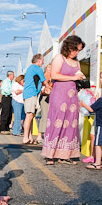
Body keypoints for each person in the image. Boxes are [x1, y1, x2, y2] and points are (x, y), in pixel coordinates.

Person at [41, 35, 85, 165]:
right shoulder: (59, 58)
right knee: (57, 121)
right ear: (69, 46)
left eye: (78, 50)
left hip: (72, 96)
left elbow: (76, 77)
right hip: (60, 94)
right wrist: (74, 77)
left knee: (71, 123)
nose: (76, 52)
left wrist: (80, 78)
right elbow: (54, 75)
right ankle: (51, 155)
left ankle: (65, 154)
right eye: (75, 49)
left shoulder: (77, 62)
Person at [23, 54, 45, 144]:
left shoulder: (30, 68)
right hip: (31, 94)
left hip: (28, 94)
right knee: (29, 115)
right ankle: (25, 137)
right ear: (38, 60)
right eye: (42, 60)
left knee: (30, 116)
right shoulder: (37, 68)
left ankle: (30, 137)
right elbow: (44, 81)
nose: (43, 62)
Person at [37, 63, 52, 143]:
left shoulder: (52, 76)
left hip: (49, 97)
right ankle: (40, 135)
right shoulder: (44, 76)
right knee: (45, 115)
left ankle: (46, 134)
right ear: (46, 68)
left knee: (48, 116)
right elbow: (42, 85)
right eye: (49, 67)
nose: (50, 69)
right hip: (44, 97)